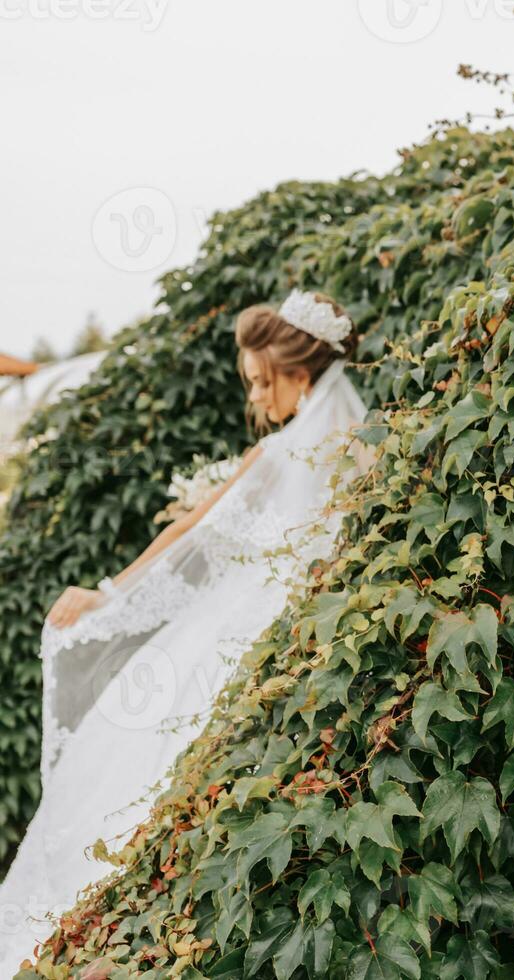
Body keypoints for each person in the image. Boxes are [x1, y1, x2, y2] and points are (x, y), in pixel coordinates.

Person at [0, 290, 373, 973]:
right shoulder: (365, 450)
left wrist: (105, 593)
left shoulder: (277, 455)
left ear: (301, 376)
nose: (258, 400)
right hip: (305, 635)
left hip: (234, 633)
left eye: (263, 382)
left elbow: (188, 531)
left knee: (133, 767)